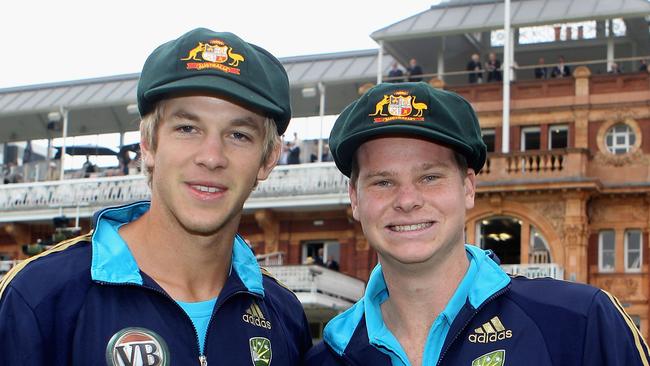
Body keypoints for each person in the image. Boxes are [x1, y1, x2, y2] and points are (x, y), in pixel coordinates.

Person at [0, 28, 312, 365]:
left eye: (238, 135)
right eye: (187, 128)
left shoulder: (284, 315)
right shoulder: (40, 296)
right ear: (148, 145)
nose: (211, 156)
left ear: (268, 159)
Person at [305, 82, 649, 366]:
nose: (407, 199)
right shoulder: (329, 356)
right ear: (354, 197)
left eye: (430, 177)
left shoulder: (579, 323)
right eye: (383, 182)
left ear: (468, 187)